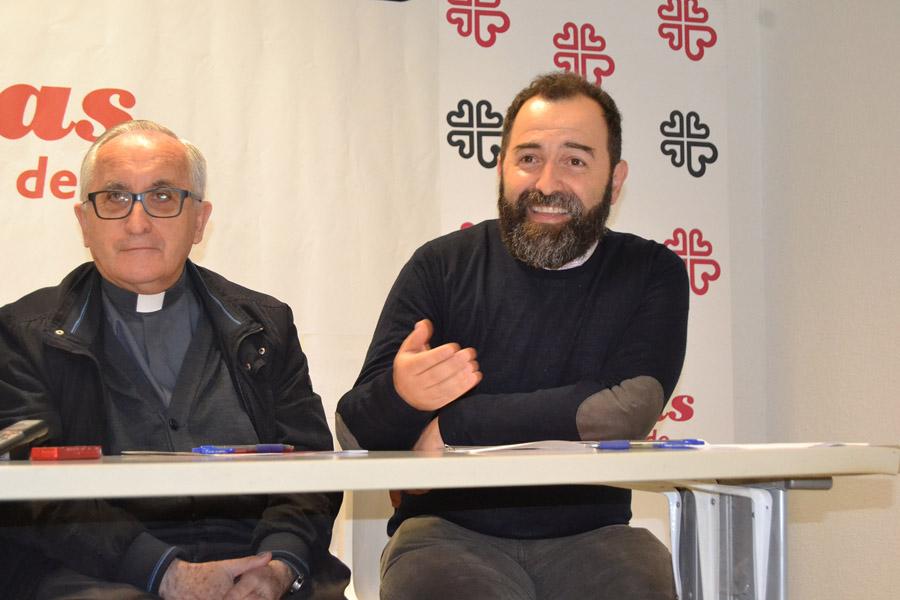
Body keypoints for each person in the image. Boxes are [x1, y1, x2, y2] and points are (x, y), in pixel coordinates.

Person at [336, 71, 689, 600]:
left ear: (614, 180)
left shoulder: (649, 271)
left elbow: (623, 409)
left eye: (575, 160)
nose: (547, 182)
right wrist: (404, 396)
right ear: (501, 167)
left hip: (600, 539)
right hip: (444, 538)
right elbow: (353, 433)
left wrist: (453, 425)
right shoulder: (440, 266)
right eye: (528, 158)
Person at [0, 120, 349, 600]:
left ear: (200, 219)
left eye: (163, 198)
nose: (137, 222)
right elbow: (35, 498)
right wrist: (165, 573)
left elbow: (311, 467)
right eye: (115, 198)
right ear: (84, 222)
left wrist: (279, 563)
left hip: (258, 563)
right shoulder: (25, 335)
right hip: (99, 573)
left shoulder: (264, 326)